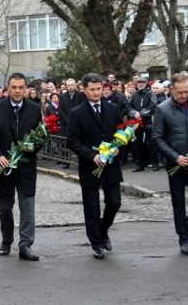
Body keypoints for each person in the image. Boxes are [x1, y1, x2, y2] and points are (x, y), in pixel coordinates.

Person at [0, 72, 42, 261]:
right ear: (8, 88)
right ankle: (6, 240)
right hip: (4, 167)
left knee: (27, 207)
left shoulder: (34, 108)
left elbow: (42, 135)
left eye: (21, 88)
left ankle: (25, 244)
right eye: (14, 87)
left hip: (26, 167)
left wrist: (35, 146)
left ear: (26, 89)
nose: (17, 91)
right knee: (5, 208)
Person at [152, 74, 188, 256]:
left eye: (187, 91)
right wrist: (175, 157)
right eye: (180, 92)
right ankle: (183, 238)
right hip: (175, 164)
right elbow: (157, 138)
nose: (184, 95)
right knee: (179, 202)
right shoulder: (162, 109)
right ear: (171, 90)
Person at [66, 73, 123, 259]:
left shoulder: (113, 108)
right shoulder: (76, 112)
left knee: (114, 202)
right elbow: (72, 141)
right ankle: (96, 242)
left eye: (99, 89)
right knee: (92, 207)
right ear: (84, 90)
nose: (97, 92)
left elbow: (121, 133)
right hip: (90, 165)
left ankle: (103, 228)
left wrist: (118, 148)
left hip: (111, 165)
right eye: (92, 89)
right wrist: (92, 156)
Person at [127, 76, 158, 172]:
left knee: (152, 144)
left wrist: (141, 114)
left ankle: (155, 163)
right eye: (138, 82)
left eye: (142, 82)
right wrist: (134, 114)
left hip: (148, 122)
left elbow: (153, 106)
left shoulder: (150, 93)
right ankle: (139, 164)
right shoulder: (134, 94)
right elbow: (128, 106)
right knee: (137, 144)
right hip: (136, 123)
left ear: (146, 83)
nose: (140, 84)